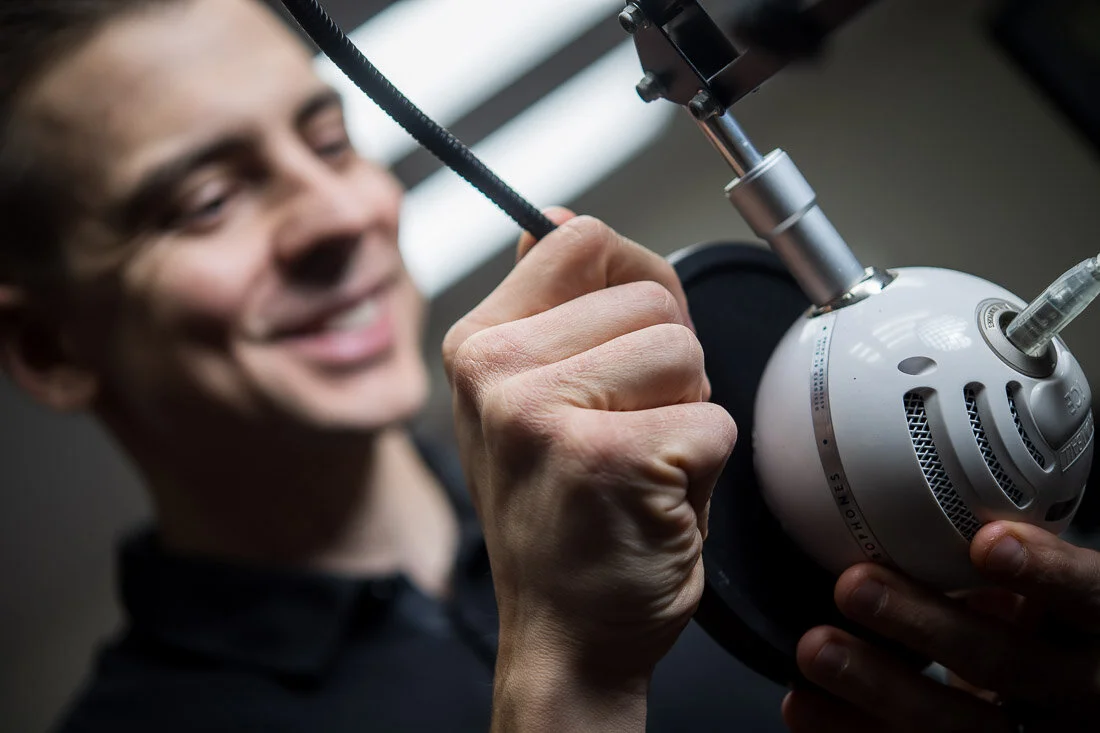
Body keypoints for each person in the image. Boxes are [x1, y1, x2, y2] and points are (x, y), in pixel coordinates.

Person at [1, 1, 1096, 732]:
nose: (340, 214)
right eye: (206, 201)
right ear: (49, 347)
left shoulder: (732, 492)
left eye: (330, 142)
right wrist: (566, 680)